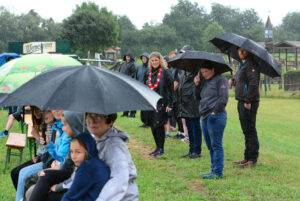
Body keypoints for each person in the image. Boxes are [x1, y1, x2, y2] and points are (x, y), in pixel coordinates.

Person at [27, 111, 86, 201]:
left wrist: (59, 186)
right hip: (67, 177)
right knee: (34, 183)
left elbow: (80, 178)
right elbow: (67, 168)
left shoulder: (85, 144)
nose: (63, 128)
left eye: (65, 125)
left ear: (75, 125)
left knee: (33, 187)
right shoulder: (76, 141)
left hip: (81, 189)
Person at [85, 113, 139, 201]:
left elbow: (119, 180)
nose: (92, 121)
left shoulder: (113, 145)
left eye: (98, 116)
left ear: (110, 121)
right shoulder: (98, 139)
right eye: (89, 115)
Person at [194, 65, 228, 179]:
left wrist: (214, 112)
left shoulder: (221, 80)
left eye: (206, 71)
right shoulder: (204, 81)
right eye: (202, 72)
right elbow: (198, 97)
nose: (204, 74)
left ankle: (218, 172)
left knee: (216, 145)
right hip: (204, 116)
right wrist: (197, 84)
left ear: (213, 69)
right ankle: (213, 169)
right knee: (210, 145)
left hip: (216, 116)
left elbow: (223, 98)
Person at [230, 47, 261, 168]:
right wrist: (233, 80)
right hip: (241, 100)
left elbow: (253, 84)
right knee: (246, 130)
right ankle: (246, 157)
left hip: (249, 103)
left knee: (250, 130)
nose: (241, 52)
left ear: (249, 52)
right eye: (239, 50)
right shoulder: (242, 65)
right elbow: (242, 81)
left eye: (244, 51)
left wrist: (248, 100)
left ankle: (252, 159)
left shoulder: (251, 65)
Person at [60, 133, 110, 201]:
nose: (73, 157)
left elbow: (69, 197)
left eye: (78, 152)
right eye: (71, 152)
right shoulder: (97, 162)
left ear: (88, 150)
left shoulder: (87, 168)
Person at [144, 51, 174, 158]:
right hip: (150, 102)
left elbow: (171, 90)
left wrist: (170, 104)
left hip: (162, 103)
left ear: (160, 60)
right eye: (152, 60)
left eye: (156, 60)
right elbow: (144, 86)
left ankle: (161, 148)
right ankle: (157, 147)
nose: (154, 62)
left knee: (159, 125)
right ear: (150, 62)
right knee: (152, 125)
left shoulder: (166, 72)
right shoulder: (148, 72)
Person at [178, 71, 202, 159]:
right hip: (185, 105)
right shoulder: (184, 73)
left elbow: (198, 89)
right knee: (189, 129)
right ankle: (191, 150)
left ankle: (197, 151)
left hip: (194, 104)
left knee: (195, 128)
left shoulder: (197, 73)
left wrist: (197, 83)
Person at [119, 53, 137, 118]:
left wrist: (128, 80)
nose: (127, 58)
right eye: (127, 57)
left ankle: (132, 114)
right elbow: (119, 72)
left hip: (130, 84)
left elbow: (134, 75)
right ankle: (125, 113)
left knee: (132, 100)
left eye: (129, 57)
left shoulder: (133, 65)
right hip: (123, 84)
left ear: (131, 57)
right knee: (125, 99)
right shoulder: (123, 64)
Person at [135, 52, 150, 128]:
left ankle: (148, 122)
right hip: (139, 89)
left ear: (148, 59)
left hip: (147, 89)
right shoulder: (138, 67)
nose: (144, 59)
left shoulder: (150, 67)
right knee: (142, 107)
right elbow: (136, 77)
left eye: (145, 58)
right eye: (142, 58)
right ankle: (144, 121)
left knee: (147, 107)